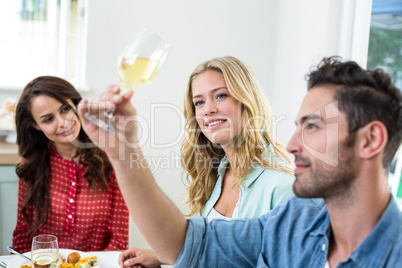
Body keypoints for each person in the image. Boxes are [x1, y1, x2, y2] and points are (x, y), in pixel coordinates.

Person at [78, 56, 402, 267]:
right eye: (199, 102)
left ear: (371, 140)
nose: (291, 146)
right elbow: (191, 244)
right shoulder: (295, 222)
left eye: (313, 127)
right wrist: (122, 150)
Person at [119, 56, 295, 267]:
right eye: (199, 102)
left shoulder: (283, 187)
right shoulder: (217, 173)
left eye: (220, 96)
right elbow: (214, 248)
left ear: (247, 101)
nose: (207, 109)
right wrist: (162, 255)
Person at [12, 76, 129, 253]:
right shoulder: (32, 164)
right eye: (48, 119)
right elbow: (22, 236)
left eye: (65, 109)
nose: (63, 122)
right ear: (35, 126)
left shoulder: (111, 159)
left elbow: (119, 240)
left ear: (76, 105)